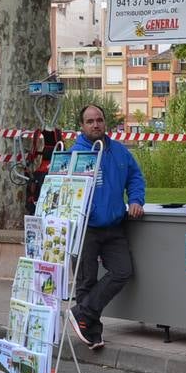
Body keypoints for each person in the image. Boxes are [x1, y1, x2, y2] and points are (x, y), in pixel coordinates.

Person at [69, 104, 145, 350]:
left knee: (123, 271)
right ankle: (93, 333)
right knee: (87, 281)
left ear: (105, 122)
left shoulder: (120, 152)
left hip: (114, 226)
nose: (95, 125)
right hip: (86, 228)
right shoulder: (75, 155)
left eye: (99, 120)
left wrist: (135, 199)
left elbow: (135, 177)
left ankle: (81, 312)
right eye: (89, 121)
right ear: (82, 126)